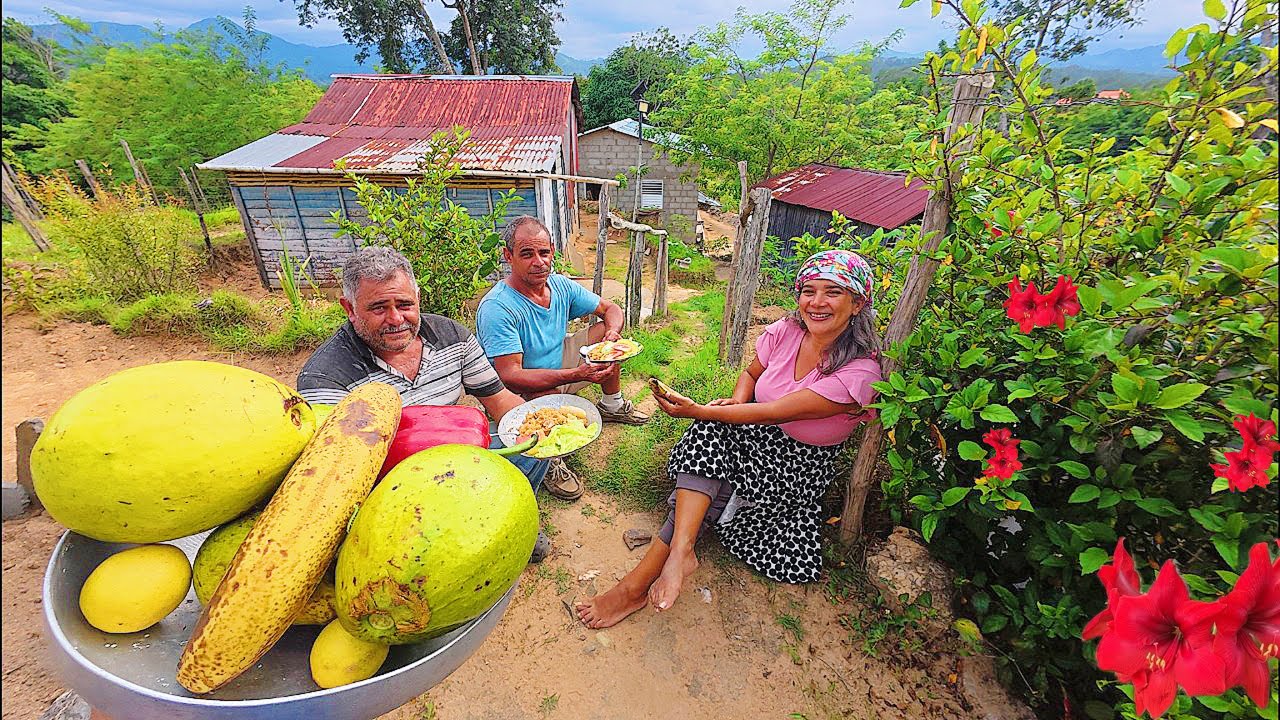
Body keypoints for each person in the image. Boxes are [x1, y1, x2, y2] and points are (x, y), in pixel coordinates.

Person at [575, 249, 883, 628]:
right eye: (809, 290)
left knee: (710, 442)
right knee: (714, 430)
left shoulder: (861, 372)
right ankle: (678, 554)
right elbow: (752, 375)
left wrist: (700, 410)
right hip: (758, 437)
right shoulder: (787, 332)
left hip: (795, 469)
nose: (816, 302)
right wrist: (736, 402)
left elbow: (776, 411)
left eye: (833, 292)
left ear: (857, 304)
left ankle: (638, 583)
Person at [295, 246, 552, 562]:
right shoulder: (325, 377)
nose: (396, 319)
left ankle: (511, 515)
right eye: (378, 308)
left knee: (532, 443)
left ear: (417, 297)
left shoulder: (450, 334)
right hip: (392, 491)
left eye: (405, 304)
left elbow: (500, 400)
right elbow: (340, 479)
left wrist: (542, 426)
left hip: (458, 456)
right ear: (349, 308)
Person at [476, 215, 649, 503]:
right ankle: (550, 459)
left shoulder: (560, 286)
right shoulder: (498, 307)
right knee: (546, 398)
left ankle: (613, 405)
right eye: (527, 254)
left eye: (543, 253)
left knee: (604, 341)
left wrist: (612, 336)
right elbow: (510, 376)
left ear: (552, 251)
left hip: (559, 362)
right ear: (508, 257)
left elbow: (611, 309)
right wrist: (577, 375)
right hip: (521, 387)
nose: (538, 261)